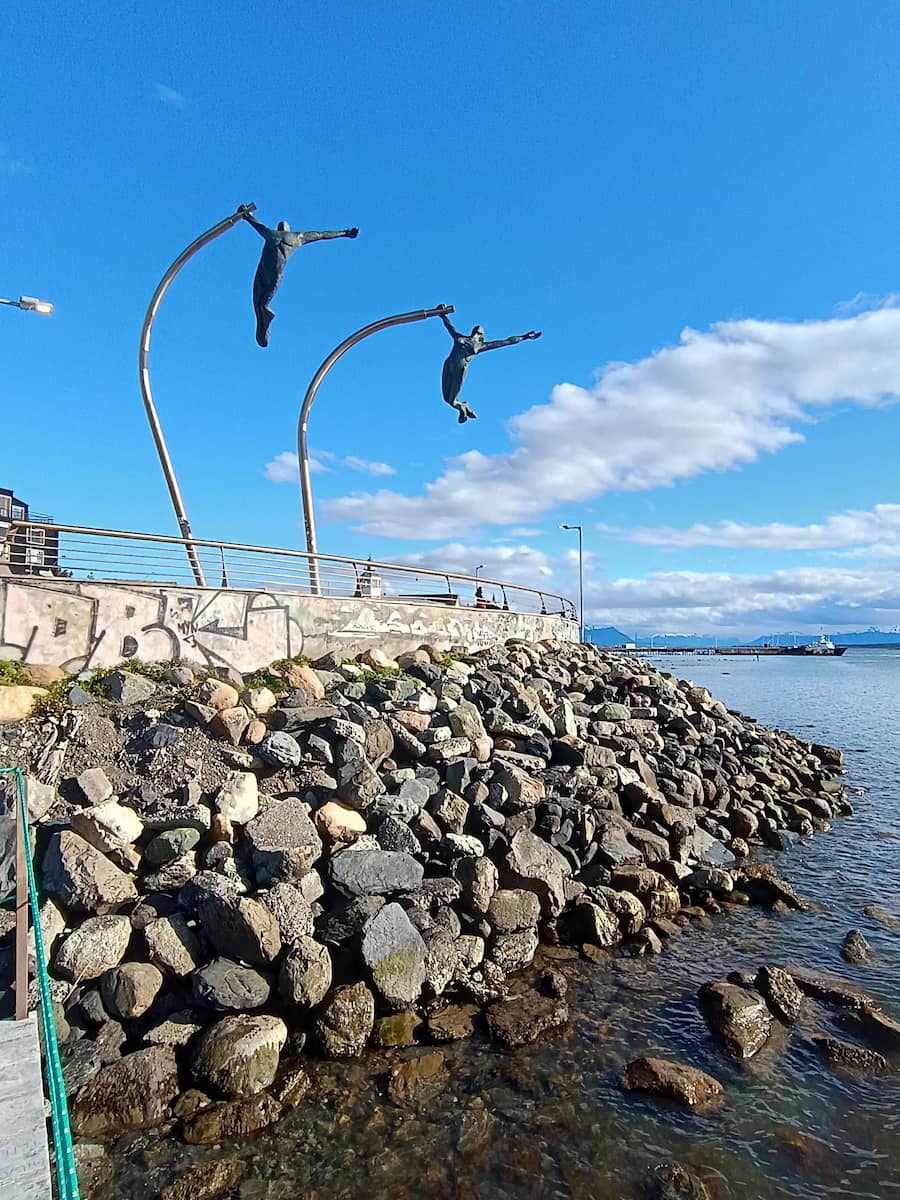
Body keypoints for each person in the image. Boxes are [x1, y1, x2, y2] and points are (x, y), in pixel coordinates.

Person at [241, 209, 359, 347]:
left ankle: (263, 324)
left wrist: (246, 216)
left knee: (259, 303)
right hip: (273, 276)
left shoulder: (272, 234)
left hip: (265, 272)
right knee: (260, 303)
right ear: (288, 228)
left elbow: (257, 224)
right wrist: (344, 233)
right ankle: (263, 323)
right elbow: (321, 235)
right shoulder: (296, 237)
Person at [439, 310, 541, 423]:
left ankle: (462, 408)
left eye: (478, 333)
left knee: (452, 401)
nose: (476, 333)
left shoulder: (481, 346)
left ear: (481, 335)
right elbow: (450, 327)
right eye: (475, 331)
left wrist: (524, 337)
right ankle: (463, 406)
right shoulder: (460, 337)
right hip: (449, 365)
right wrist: (442, 315)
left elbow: (506, 341)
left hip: (460, 369)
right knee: (447, 399)